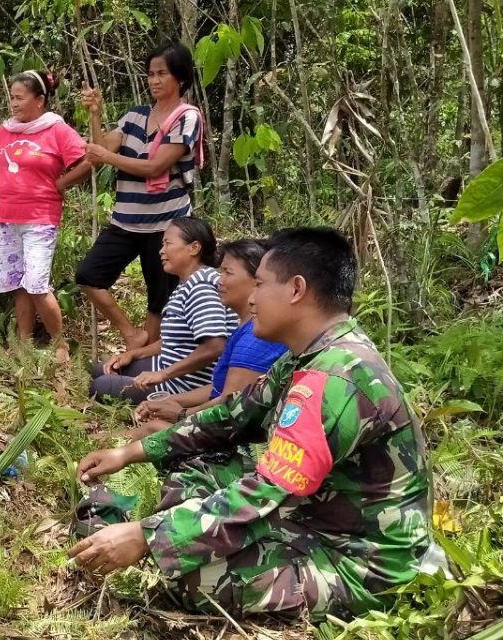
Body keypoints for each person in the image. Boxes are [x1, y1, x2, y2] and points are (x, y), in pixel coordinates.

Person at [69, 228, 435, 620]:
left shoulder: (333, 379)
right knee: (198, 463)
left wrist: (149, 536)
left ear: (296, 290)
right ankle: (187, 527)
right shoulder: (307, 357)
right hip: (316, 515)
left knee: (194, 579)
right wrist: (129, 453)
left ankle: (178, 532)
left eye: (260, 284)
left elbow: (268, 491)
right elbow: (229, 416)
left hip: (362, 559)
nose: (253, 298)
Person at [77, 42, 204, 351]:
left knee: (159, 297)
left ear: (180, 78)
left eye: (162, 73)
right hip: (126, 219)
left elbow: (155, 166)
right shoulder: (134, 116)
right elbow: (103, 148)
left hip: (166, 223)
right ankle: (132, 336)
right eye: (150, 74)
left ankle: (149, 364)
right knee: (88, 275)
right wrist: (95, 115)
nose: (155, 80)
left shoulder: (187, 117)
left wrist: (106, 158)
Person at [0, 70, 92, 359]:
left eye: (20, 98)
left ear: (40, 100)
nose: (13, 104)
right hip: (6, 218)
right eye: (12, 98)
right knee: (19, 285)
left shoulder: (57, 130)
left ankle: (61, 346)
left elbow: (88, 160)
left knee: (37, 285)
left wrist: (62, 183)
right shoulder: (6, 129)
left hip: (40, 218)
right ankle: (23, 344)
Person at [130, 239, 288, 438]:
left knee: (147, 430)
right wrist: (173, 402)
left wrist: (181, 414)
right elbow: (219, 389)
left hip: (232, 438)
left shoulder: (255, 338)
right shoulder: (246, 328)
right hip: (218, 420)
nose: (219, 280)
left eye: (227, 273)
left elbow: (229, 408)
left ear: (257, 280)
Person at [91, 217, 236, 405]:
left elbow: (215, 346)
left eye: (168, 243)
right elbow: (173, 340)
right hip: (168, 367)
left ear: (194, 248)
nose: (161, 251)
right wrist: (134, 354)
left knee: (101, 385)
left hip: (185, 383)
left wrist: (162, 375)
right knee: (101, 369)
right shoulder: (187, 283)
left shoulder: (201, 288)